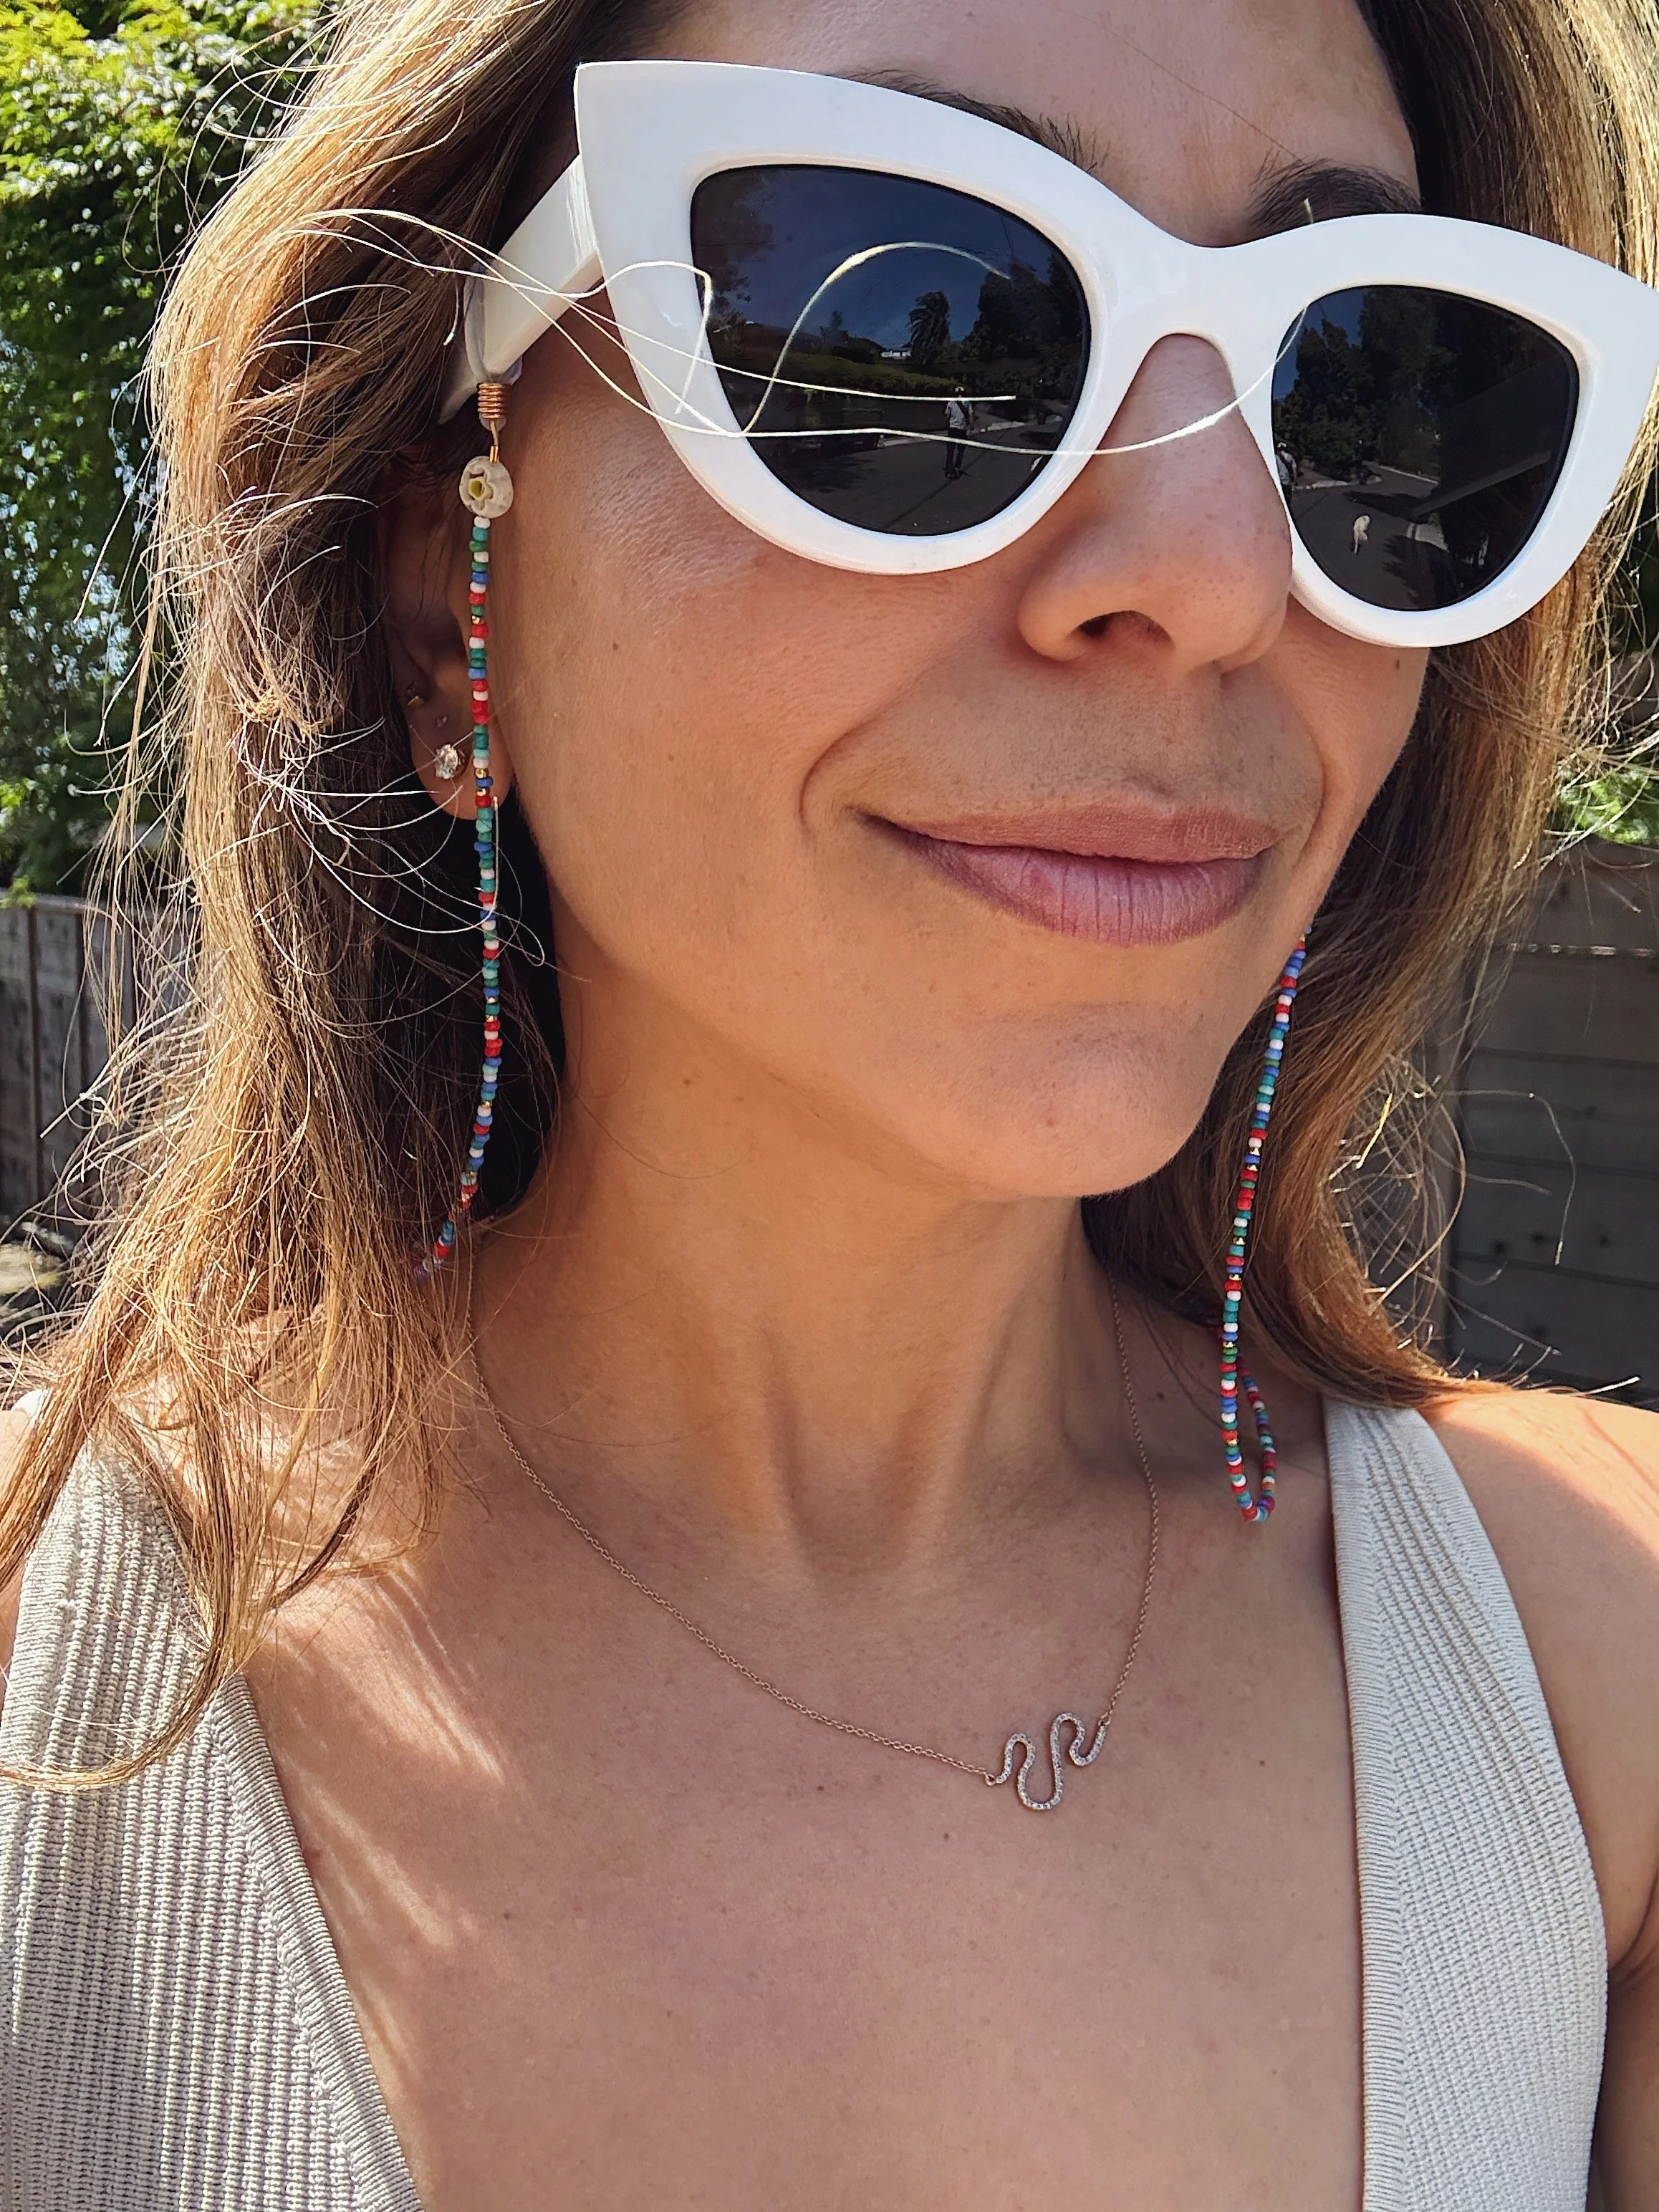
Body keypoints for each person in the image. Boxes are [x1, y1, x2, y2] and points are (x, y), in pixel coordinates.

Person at [1, 0, 1657, 2206]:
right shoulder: (47, 1688)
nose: (1211, 577)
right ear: (443, 589)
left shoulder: (1601, 1676)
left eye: (1373, 380)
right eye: (904, 323)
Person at [944, 385, 973, 477]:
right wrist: (971, 428)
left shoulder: (951, 403)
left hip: (952, 429)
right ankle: (957, 467)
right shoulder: (967, 403)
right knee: (961, 450)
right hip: (962, 430)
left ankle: (949, 471)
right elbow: (971, 415)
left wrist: (947, 425)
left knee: (950, 451)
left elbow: (947, 416)